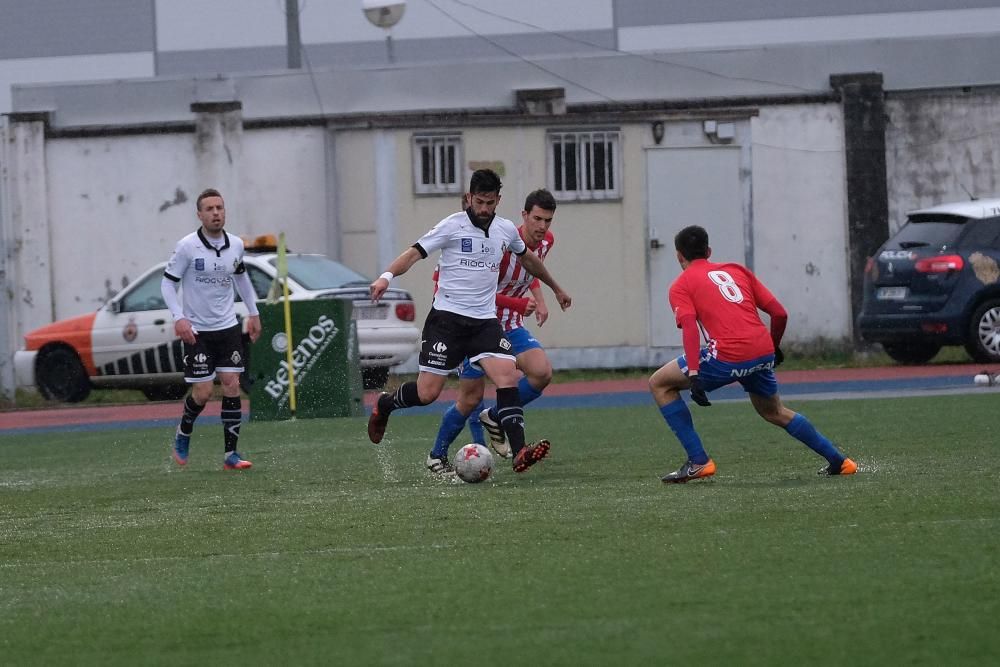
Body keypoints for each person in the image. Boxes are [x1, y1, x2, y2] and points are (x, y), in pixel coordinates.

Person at [367, 169, 571, 475]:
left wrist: (555, 289)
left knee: (507, 377)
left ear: (498, 200)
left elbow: (528, 260)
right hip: (446, 321)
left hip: (484, 323)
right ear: (468, 198)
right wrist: (386, 277)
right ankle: (385, 404)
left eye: (490, 202)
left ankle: (519, 452)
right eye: (479, 201)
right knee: (427, 393)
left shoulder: (504, 230)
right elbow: (414, 253)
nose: (485, 209)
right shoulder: (452, 225)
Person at [649, 225, 857, 482]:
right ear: (709, 250)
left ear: (679, 256)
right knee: (775, 412)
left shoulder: (681, 284)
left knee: (659, 383)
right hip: (761, 350)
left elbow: (690, 327)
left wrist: (694, 374)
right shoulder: (736, 270)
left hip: (726, 355)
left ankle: (699, 461)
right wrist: (773, 347)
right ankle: (841, 461)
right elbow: (780, 313)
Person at [428, 188, 559, 475]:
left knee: (541, 372)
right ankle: (437, 455)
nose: (542, 227)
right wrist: (517, 301)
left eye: (548, 221)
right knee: (470, 398)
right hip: (477, 324)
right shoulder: (497, 244)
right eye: (537, 219)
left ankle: (496, 416)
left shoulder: (545, 242)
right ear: (523, 216)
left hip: (510, 325)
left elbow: (529, 269)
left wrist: (544, 298)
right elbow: (479, 289)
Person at [160, 188, 262, 470]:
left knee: (231, 385)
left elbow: (241, 279)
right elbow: (168, 284)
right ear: (200, 214)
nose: (216, 213)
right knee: (203, 393)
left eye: (219, 207)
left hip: (228, 327)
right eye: (209, 209)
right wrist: (179, 318)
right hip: (198, 331)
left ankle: (231, 454)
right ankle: (184, 432)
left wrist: (254, 313)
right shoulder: (187, 246)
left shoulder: (236, 245)